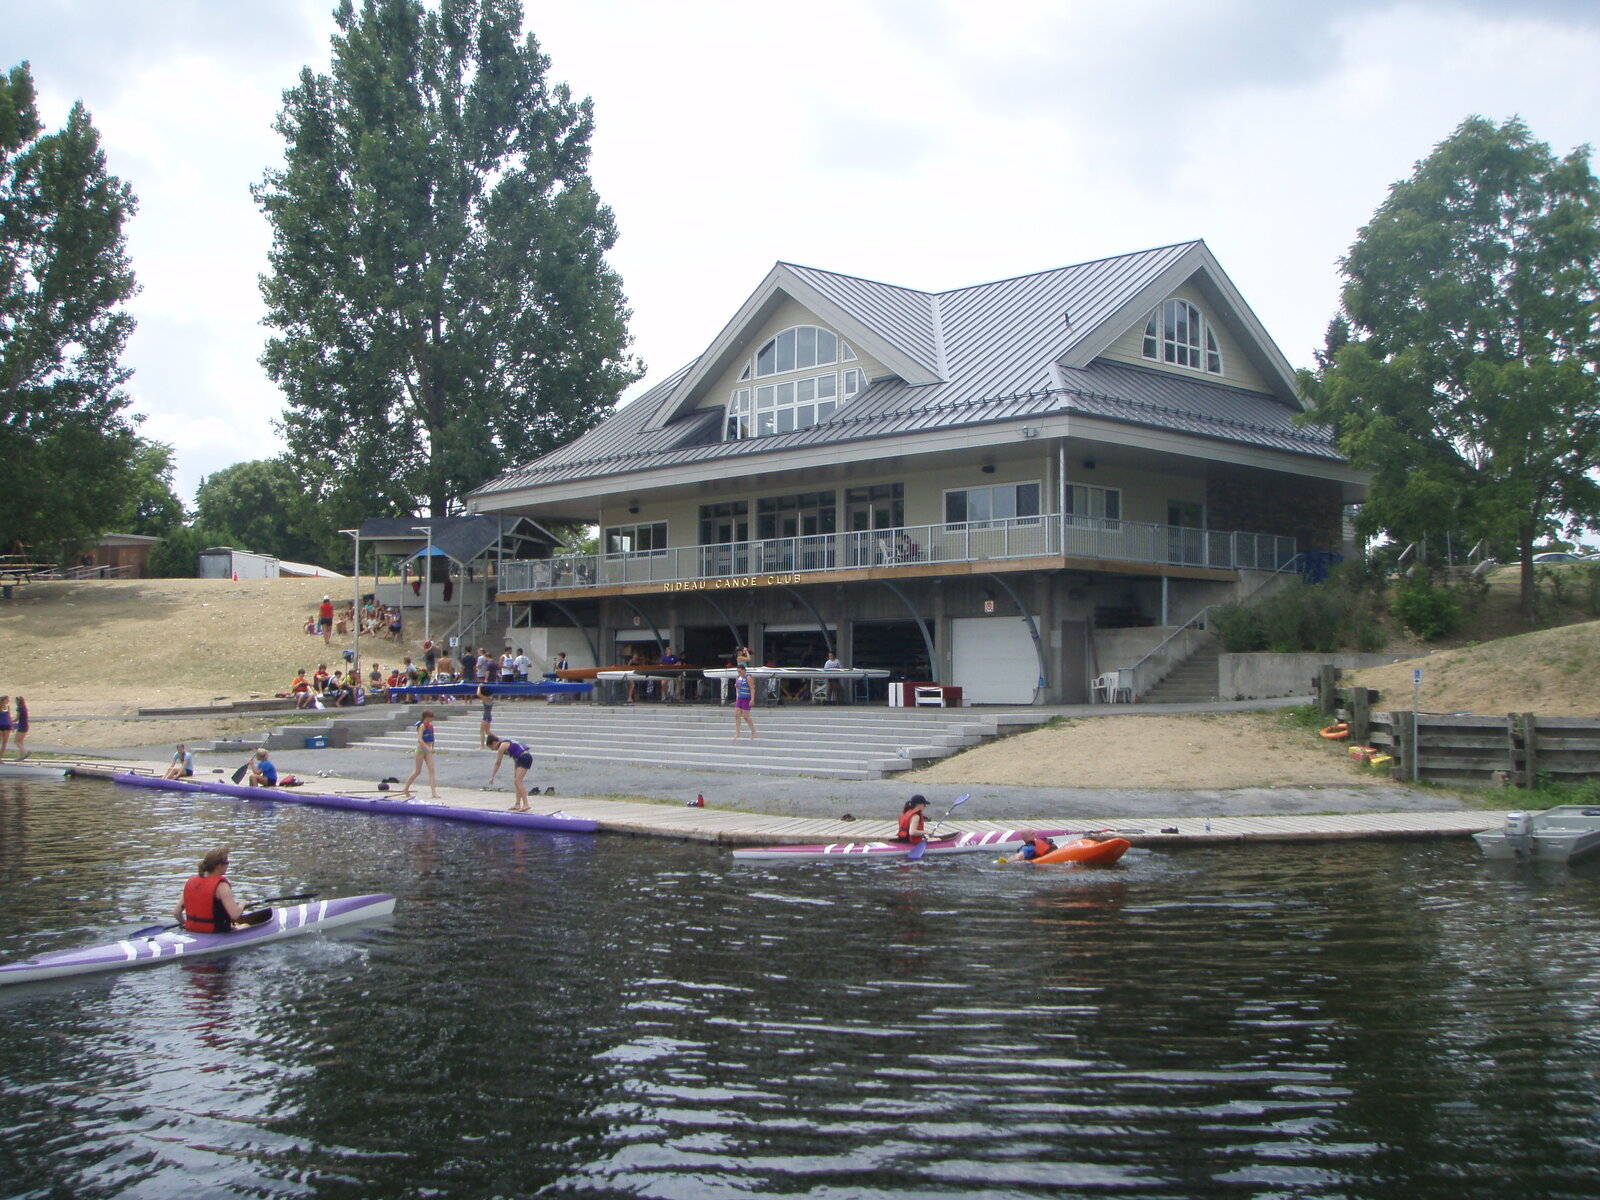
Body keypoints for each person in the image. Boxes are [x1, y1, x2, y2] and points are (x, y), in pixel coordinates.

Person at [173, 846, 248, 933]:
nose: (228, 865)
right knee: (246, 926)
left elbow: (177, 913)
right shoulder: (221, 886)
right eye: (227, 863)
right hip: (216, 932)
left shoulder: (191, 882)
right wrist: (242, 904)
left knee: (235, 924)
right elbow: (235, 915)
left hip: (192, 930)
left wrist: (186, 924)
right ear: (219, 866)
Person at [485, 732, 538, 812]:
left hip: (525, 757)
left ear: (494, 742)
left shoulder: (502, 746)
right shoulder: (505, 742)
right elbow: (515, 753)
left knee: (518, 781)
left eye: (491, 747)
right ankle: (517, 804)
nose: (493, 749)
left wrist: (492, 776)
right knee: (516, 781)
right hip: (520, 758)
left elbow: (498, 763)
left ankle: (526, 804)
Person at [401, 709, 439, 799]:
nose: (432, 719)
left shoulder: (430, 726)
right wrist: (428, 748)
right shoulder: (422, 726)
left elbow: (432, 739)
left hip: (428, 750)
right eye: (431, 717)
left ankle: (434, 792)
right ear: (427, 717)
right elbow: (419, 739)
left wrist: (431, 748)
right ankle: (406, 788)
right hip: (421, 750)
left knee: (431, 769)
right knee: (418, 771)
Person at [732, 664, 757, 740]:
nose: (739, 672)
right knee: (737, 715)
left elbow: (752, 688)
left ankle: (753, 731)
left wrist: (752, 699)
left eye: (740, 671)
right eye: (738, 671)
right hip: (740, 698)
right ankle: (737, 733)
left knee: (746, 716)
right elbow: (738, 685)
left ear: (743, 670)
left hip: (746, 699)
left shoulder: (748, 677)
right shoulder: (739, 678)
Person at [477, 684, 494, 749]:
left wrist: (479, 687)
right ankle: (497, 739)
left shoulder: (487, 699)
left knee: (482, 730)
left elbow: (478, 694)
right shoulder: (490, 697)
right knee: (487, 731)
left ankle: (482, 745)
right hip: (488, 715)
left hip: (486, 716)